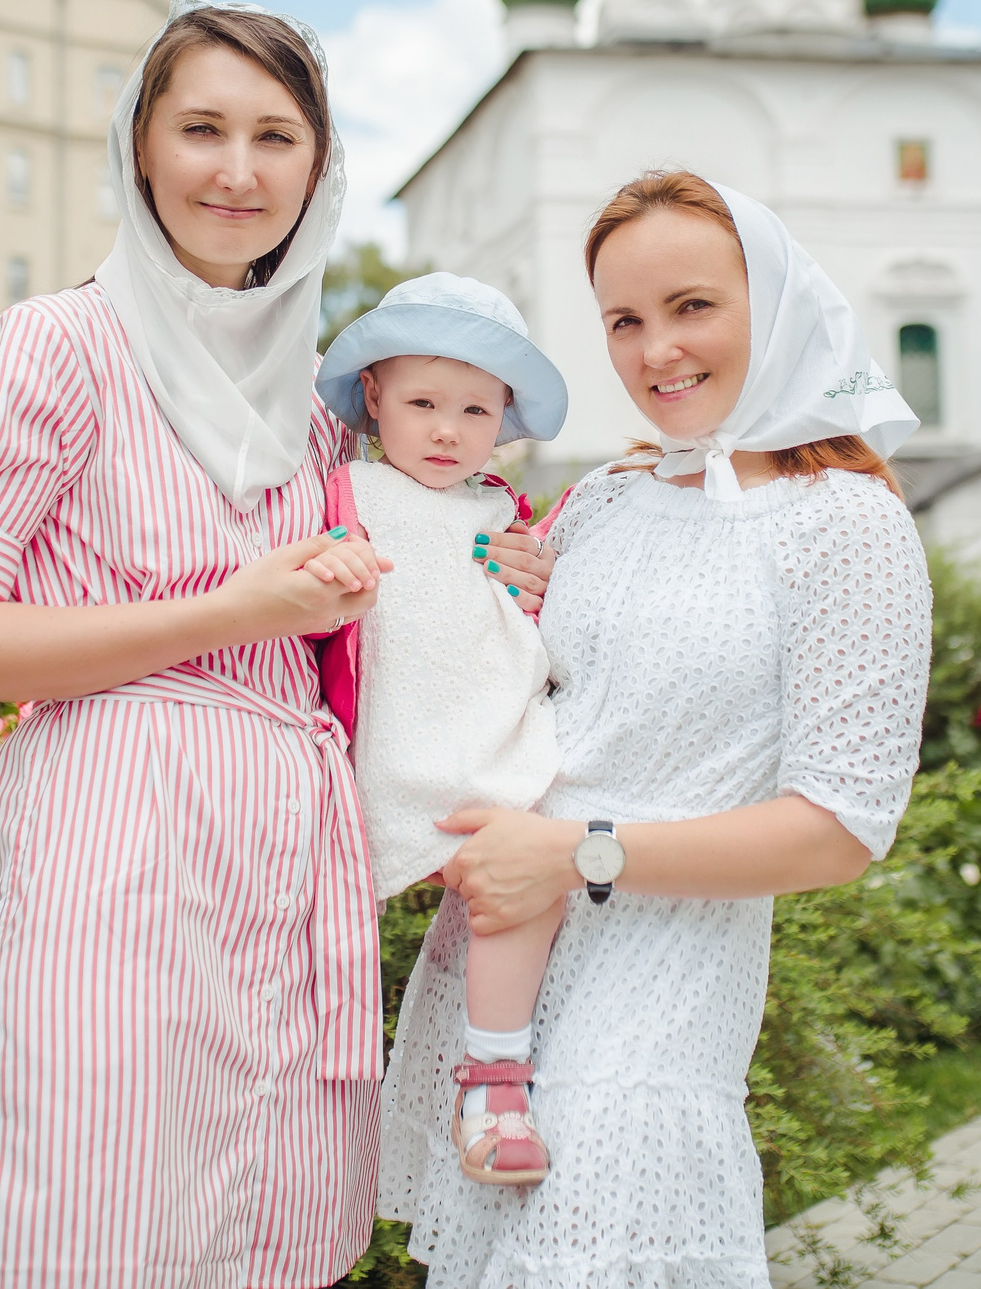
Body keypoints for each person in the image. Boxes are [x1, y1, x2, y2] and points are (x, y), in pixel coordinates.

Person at [0, 0, 553, 1288]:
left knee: (262, 1235)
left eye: (275, 137)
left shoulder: (309, 411)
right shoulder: (59, 346)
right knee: (88, 1216)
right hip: (111, 835)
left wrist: (497, 567)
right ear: (141, 149)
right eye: (200, 129)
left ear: (318, 168)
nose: (237, 172)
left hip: (287, 857)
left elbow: (365, 612)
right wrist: (231, 613)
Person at [376, 171, 931, 1288]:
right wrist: (499, 592)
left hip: (663, 985)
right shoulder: (607, 499)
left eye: (691, 307)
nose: (654, 350)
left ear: (770, 305)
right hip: (500, 972)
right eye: (623, 321)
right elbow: (535, 698)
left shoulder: (849, 526)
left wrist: (579, 854)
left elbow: (840, 828)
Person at [312, 273, 572, 1187]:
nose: (446, 429)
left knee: (520, 888)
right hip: (382, 743)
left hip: (485, 741)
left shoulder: (500, 513)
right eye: (421, 401)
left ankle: (495, 1079)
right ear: (374, 396)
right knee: (317, 936)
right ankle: (308, 1102)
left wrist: (540, 583)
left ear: (503, 419)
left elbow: (536, 628)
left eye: (474, 408)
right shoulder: (343, 490)